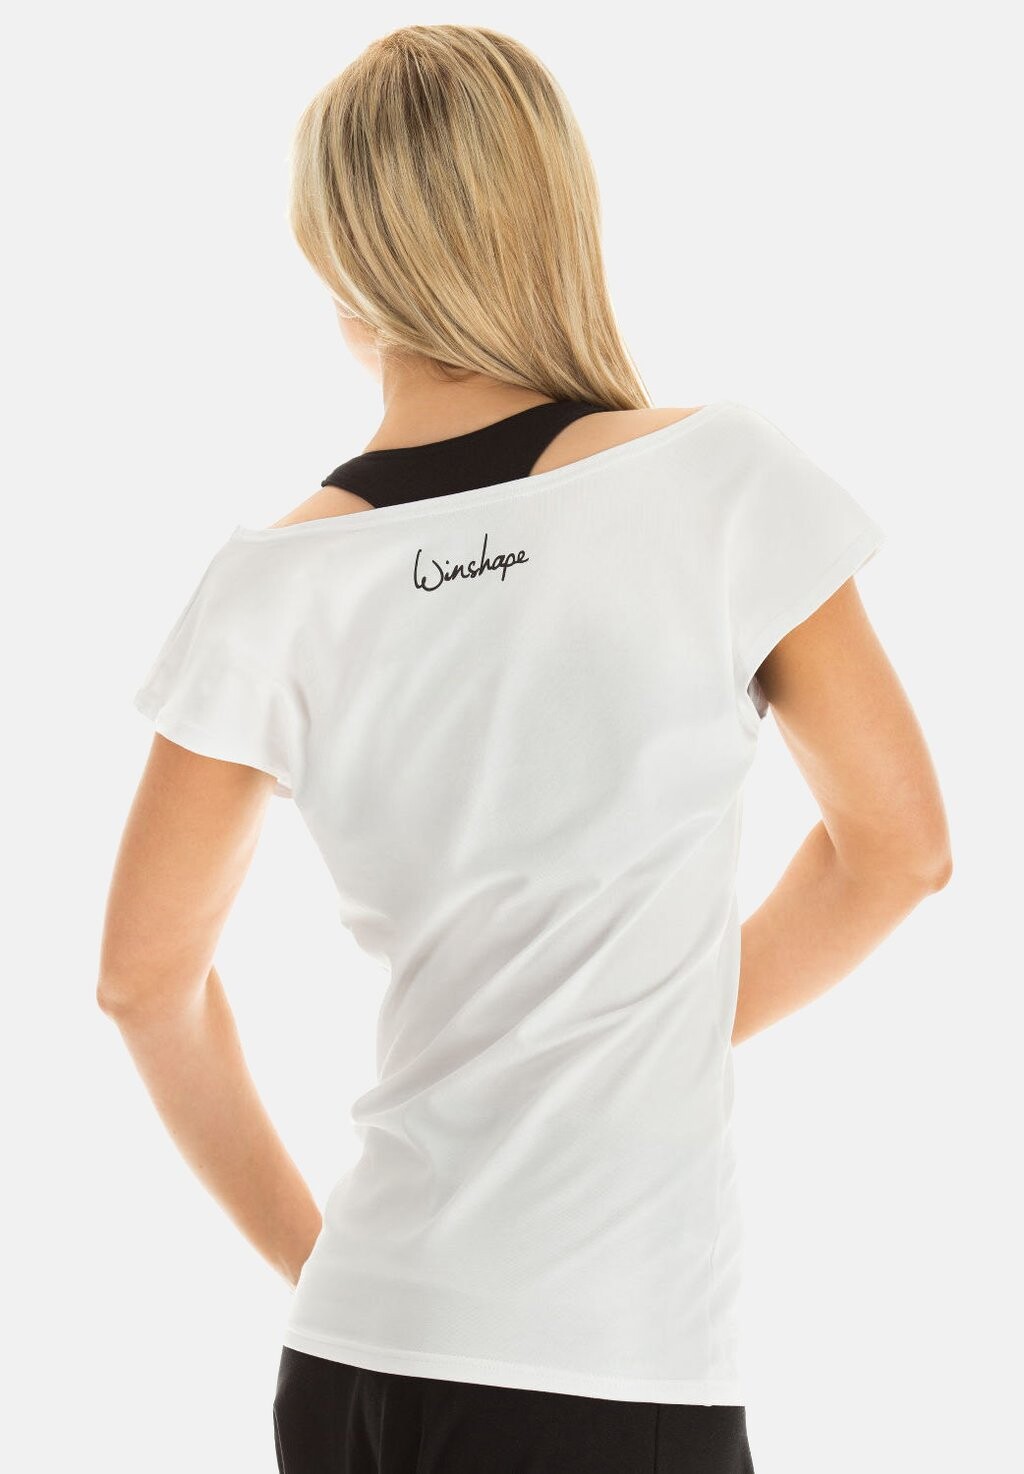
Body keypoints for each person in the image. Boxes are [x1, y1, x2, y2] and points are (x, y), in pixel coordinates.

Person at [97, 23, 952, 1474]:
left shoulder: (273, 581)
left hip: (353, 1354)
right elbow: (901, 851)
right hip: (601, 1369)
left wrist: (320, 1263)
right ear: (555, 208)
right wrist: (630, 1022)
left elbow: (139, 981)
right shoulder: (716, 482)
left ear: (331, 252)